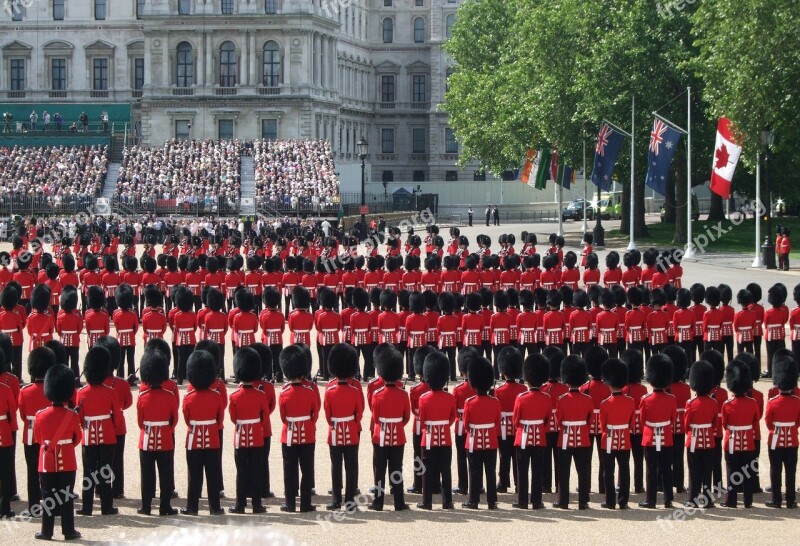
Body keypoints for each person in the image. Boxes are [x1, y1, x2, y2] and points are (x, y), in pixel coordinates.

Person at [34, 364, 81, 541]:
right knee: (66, 496)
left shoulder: (40, 415)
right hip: (67, 460)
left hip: (46, 461)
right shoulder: (72, 415)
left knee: (47, 497)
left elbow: (39, 439)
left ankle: (47, 531)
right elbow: (77, 439)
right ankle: (68, 531)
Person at [75, 346, 123, 516]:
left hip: (88, 436)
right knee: (105, 471)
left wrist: (85, 428)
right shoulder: (110, 392)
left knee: (89, 472)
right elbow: (117, 417)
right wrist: (111, 429)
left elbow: (79, 418)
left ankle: (87, 506)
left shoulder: (81, 393)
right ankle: (106, 506)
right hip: (107, 436)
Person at [181, 350, 225, 516]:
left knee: (194, 475)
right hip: (212, 438)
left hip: (193, 439)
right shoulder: (216, 396)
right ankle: (215, 507)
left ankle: (192, 507)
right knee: (213, 474)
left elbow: (187, 419)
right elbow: (219, 418)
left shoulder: (188, 397)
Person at [136, 350, 179, 516]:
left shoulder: (142, 396)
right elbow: (174, 419)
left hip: (146, 438)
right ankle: (165, 506)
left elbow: (140, 422)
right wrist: (166, 431)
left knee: (147, 475)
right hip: (165, 438)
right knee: (165, 474)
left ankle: (146, 506)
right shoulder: (169, 396)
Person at [228, 347, 269, 514]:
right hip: (257, 437)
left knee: (241, 472)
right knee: (256, 471)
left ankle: (240, 504)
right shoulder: (260, 395)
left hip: (240, 436)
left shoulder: (235, 396)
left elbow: (233, 418)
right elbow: (264, 417)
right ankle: (257, 505)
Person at [369, 346, 410, 511]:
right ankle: (398, 502)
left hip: (381, 435)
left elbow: (375, 417)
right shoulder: (403, 394)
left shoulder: (377, 394)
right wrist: (396, 425)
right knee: (397, 469)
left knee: (380, 470)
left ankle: (378, 502)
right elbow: (406, 417)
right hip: (398, 435)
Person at [279, 345, 320, 512]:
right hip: (307, 433)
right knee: (307, 469)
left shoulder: (284, 392)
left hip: (289, 434)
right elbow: (315, 412)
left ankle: (290, 503)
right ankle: (305, 503)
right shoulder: (310, 391)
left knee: (289, 469)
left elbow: (283, 416)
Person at [323, 343, 363, 510]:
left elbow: (327, 414)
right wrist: (352, 423)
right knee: (351, 465)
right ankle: (350, 500)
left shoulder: (329, 388)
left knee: (336, 466)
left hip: (335, 431)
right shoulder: (355, 389)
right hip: (352, 430)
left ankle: (336, 499)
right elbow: (360, 411)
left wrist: (335, 424)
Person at [417, 350, 456, 510]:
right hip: (445, 437)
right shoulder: (450, 398)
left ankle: (427, 502)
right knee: (445, 470)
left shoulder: (423, 399)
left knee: (427, 470)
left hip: (428, 439)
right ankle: (447, 501)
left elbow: (422, 420)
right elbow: (452, 418)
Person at [512, 353, 551, 509]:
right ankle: (536, 500)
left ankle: (522, 500)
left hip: (523, 437)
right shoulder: (546, 397)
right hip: (539, 436)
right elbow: (547, 420)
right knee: (537, 470)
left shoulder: (521, 398)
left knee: (522, 470)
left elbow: (516, 420)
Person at [638, 354, 677, 509]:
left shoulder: (645, 399)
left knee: (651, 469)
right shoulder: (671, 398)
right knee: (667, 468)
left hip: (650, 437)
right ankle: (668, 499)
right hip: (666, 436)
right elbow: (672, 419)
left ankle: (651, 499)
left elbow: (642, 420)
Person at [462, 356, 500, 510]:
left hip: (474, 440)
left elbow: (466, 425)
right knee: (490, 471)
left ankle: (474, 500)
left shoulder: (469, 403)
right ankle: (492, 501)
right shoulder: (495, 402)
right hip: (490, 440)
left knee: (474, 471)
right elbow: (497, 423)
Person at [720, 360, 759, 508]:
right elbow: (756, 421)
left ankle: (731, 500)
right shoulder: (753, 402)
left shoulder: (727, 404)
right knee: (747, 472)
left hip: (731, 442)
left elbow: (724, 424)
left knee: (732, 472)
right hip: (748, 441)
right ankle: (748, 501)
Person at [599, 358, 636, 509]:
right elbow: (631, 423)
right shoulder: (631, 401)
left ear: (608, 382)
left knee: (608, 472)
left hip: (608, 439)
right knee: (624, 470)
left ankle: (610, 501)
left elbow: (603, 426)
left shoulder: (605, 403)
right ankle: (623, 500)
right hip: (624, 439)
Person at [765, 355, 800, 508]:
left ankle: (776, 499)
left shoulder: (772, 403)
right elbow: (798, 421)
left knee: (775, 470)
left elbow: (768, 422)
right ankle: (791, 500)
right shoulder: (797, 401)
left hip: (775, 440)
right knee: (791, 471)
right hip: (792, 439)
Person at [495, 346, 525, 493]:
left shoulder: (498, 390)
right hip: (518, 426)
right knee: (517, 457)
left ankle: (503, 482)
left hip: (503, 427)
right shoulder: (523, 389)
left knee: (504, 455)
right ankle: (519, 483)